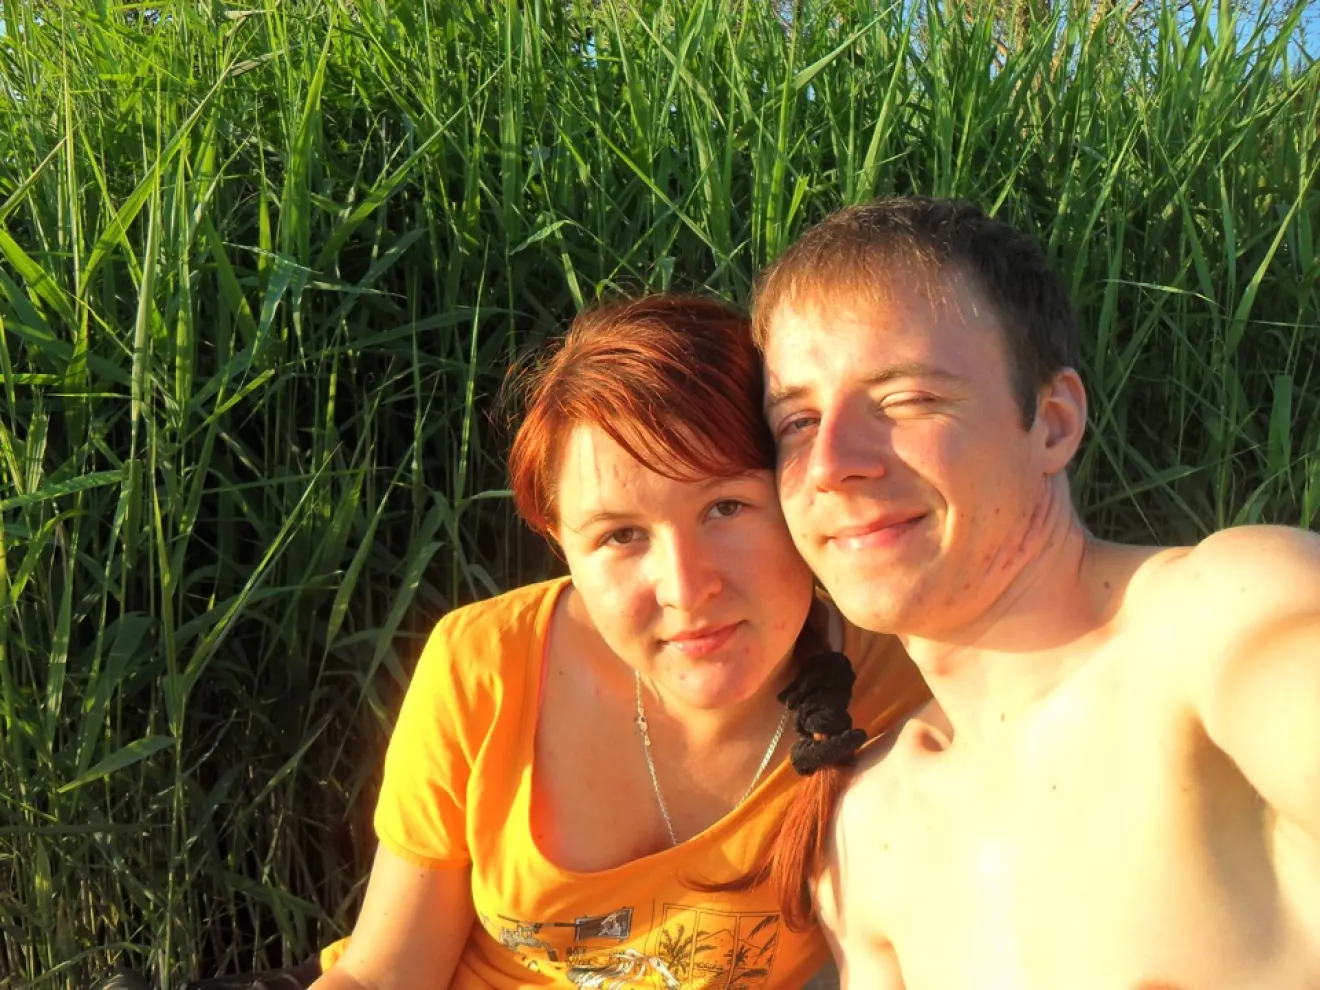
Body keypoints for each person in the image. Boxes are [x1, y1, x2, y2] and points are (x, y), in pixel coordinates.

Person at [749, 196, 1320, 989]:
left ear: (1052, 423)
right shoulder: (867, 838)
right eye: (798, 423)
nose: (830, 464)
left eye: (907, 399)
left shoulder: (1213, 623)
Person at [302, 295, 930, 990]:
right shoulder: (484, 665)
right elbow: (383, 974)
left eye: (725, 507)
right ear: (561, 545)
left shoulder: (905, 692)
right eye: (620, 536)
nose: (685, 589)